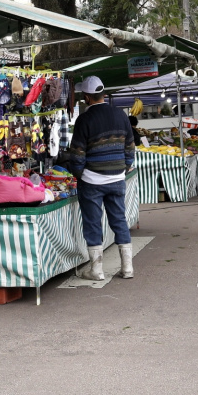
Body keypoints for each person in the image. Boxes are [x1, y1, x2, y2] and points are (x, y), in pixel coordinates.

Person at [68, 76, 136, 281]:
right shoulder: (120, 115)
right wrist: (124, 167)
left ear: (87, 97)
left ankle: (96, 270)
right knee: (119, 219)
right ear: (103, 94)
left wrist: (79, 173)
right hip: (117, 178)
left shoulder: (84, 119)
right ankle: (127, 268)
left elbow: (77, 153)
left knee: (92, 223)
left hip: (92, 180)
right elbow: (130, 146)